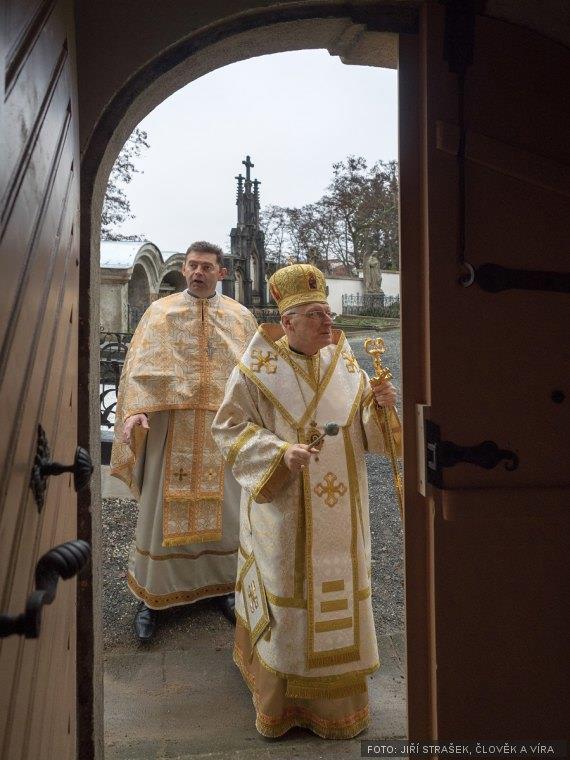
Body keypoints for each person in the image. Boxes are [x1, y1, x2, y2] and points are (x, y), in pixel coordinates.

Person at [212, 263, 401, 739]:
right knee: (290, 597)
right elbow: (228, 429)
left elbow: (368, 432)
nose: (327, 322)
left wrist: (381, 406)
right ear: (288, 321)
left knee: (342, 592)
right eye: (315, 314)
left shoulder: (346, 363)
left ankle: (337, 708)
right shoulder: (255, 371)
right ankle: (284, 706)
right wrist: (279, 452)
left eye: (327, 312)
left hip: (345, 510)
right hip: (286, 510)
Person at [110, 241, 258, 641]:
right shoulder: (161, 312)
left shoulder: (241, 317)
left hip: (222, 428)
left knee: (228, 511)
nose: (197, 272)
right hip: (170, 426)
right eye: (192, 265)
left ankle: (224, 587)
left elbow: (256, 374)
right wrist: (135, 410)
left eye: (206, 267)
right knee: (160, 511)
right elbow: (138, 367)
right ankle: (153, 596)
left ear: (220, 273)